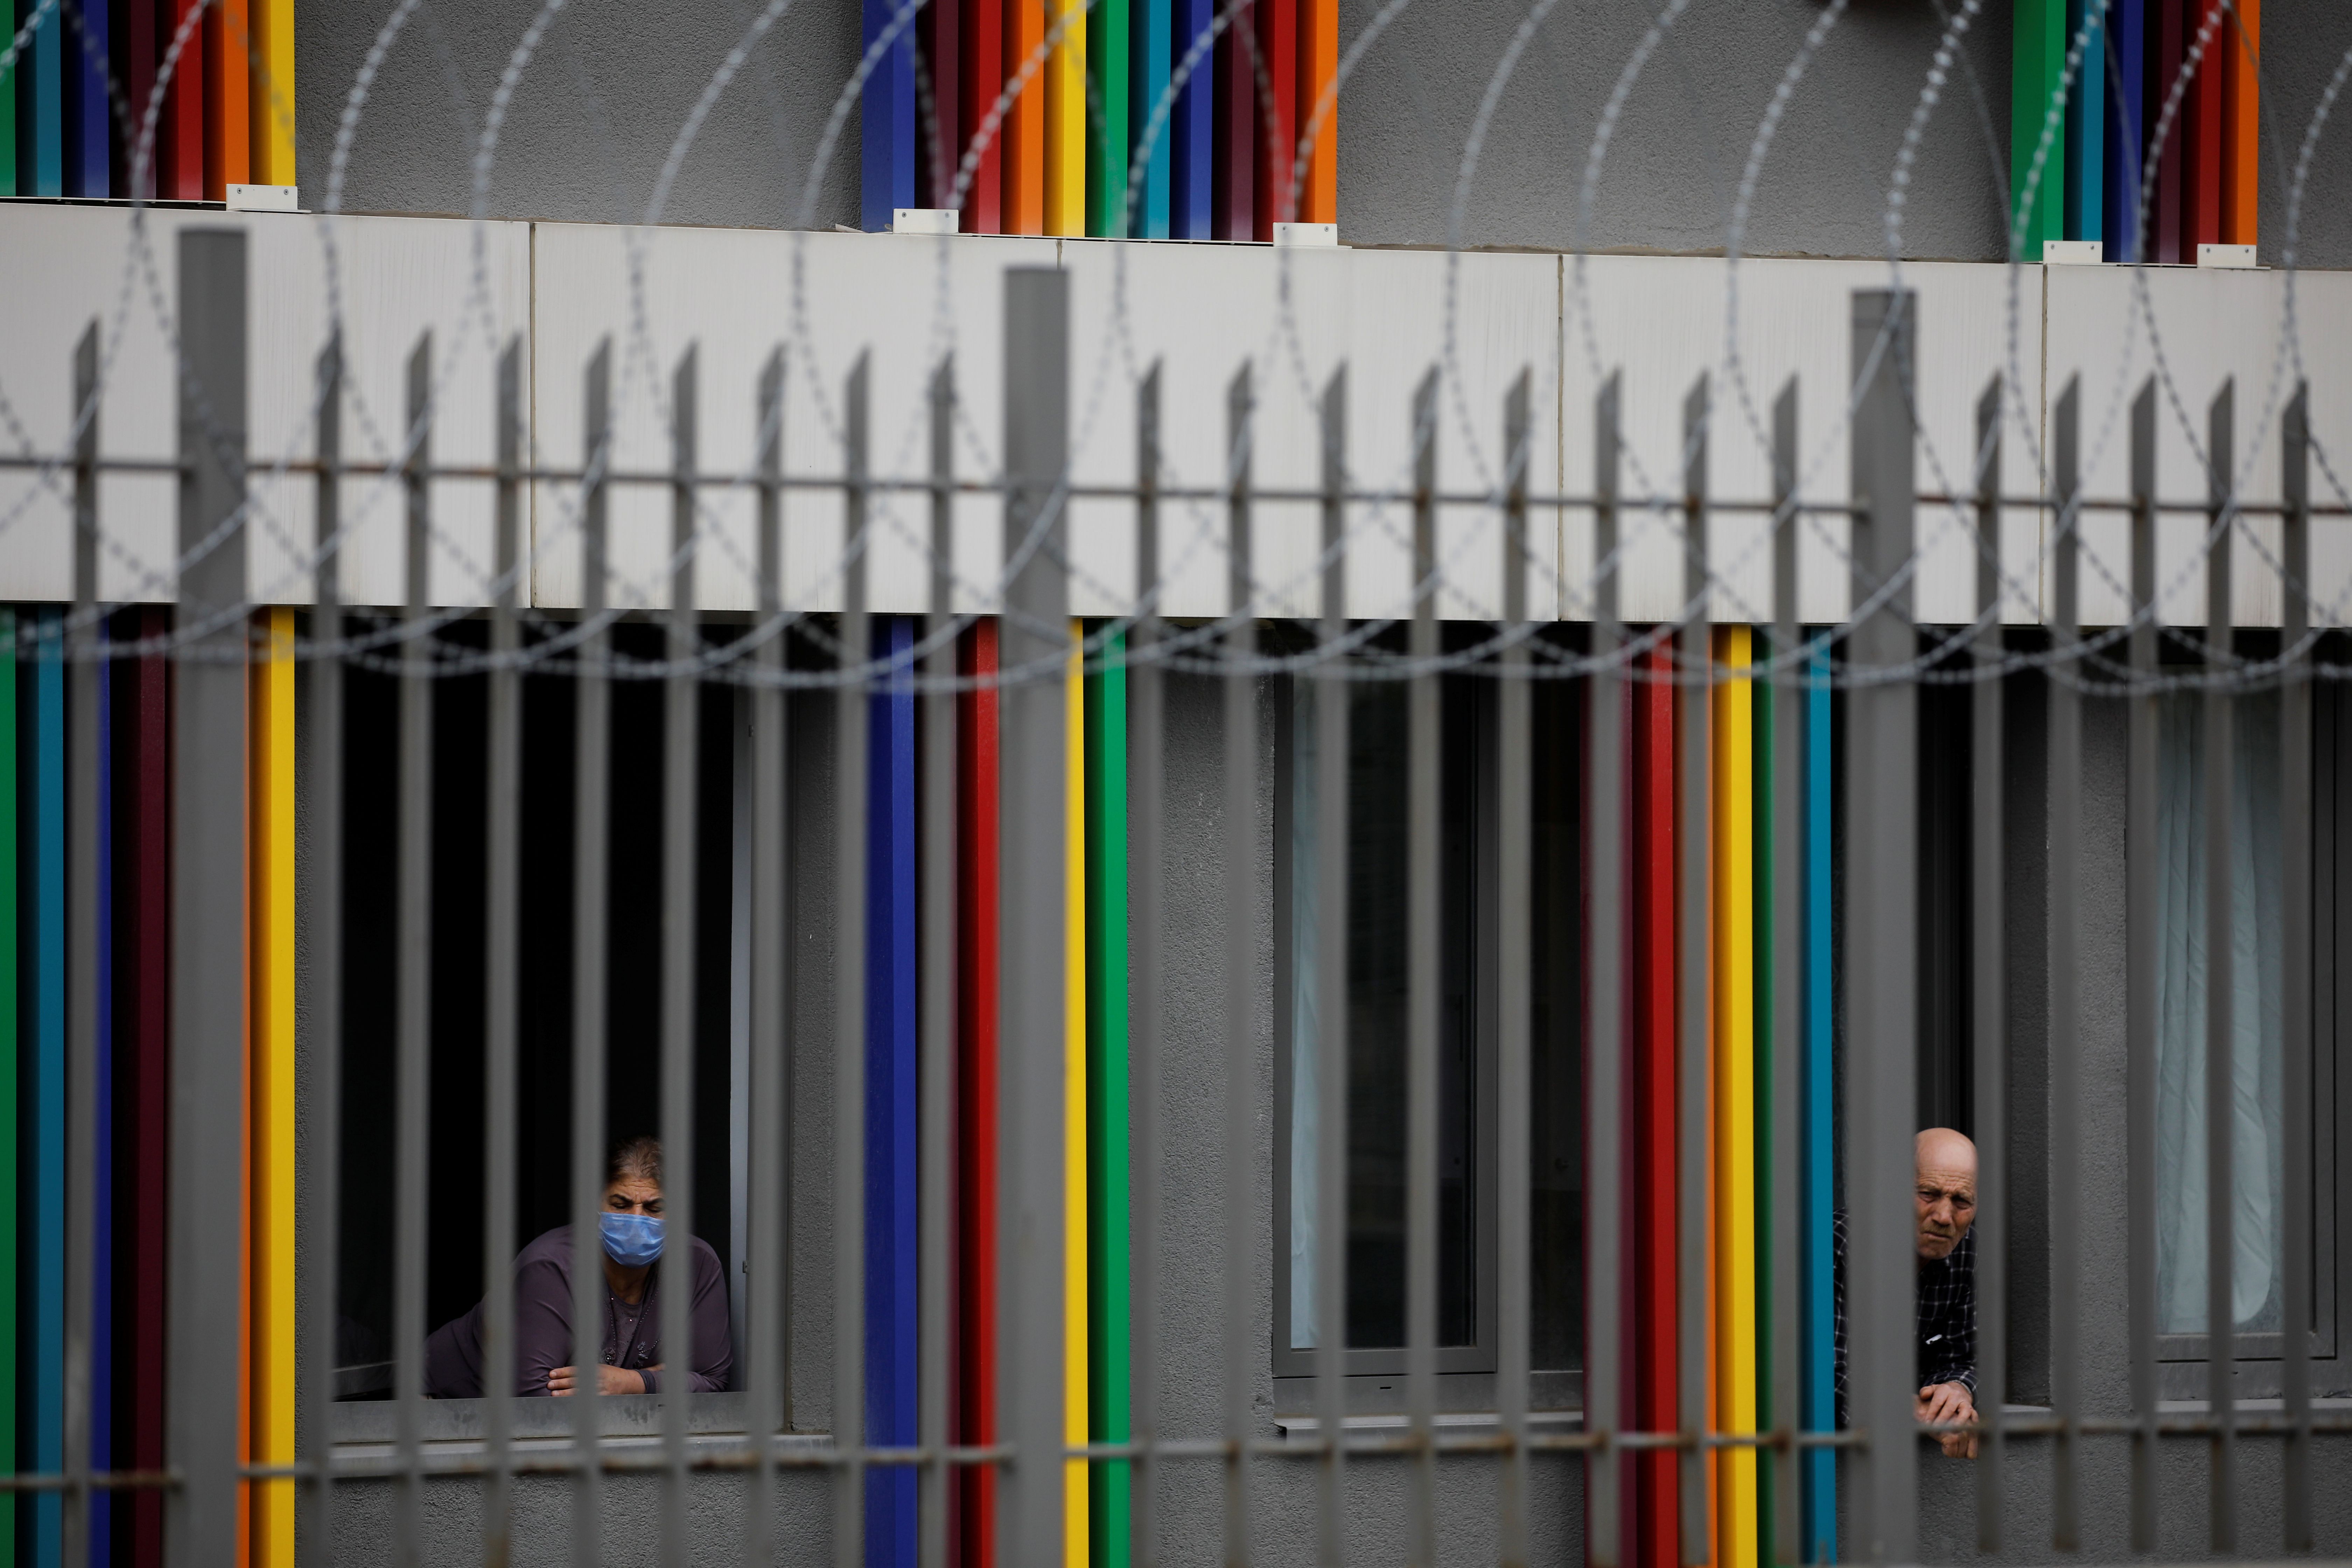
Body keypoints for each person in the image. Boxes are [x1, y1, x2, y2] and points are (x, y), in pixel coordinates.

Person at [424, 1135, 734, 1397]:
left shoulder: (697, 1265)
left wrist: (633, 1382)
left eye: (655, 1208)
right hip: (444, 1406)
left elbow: (712, 1381)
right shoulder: (549, 1268)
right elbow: (538, 1399)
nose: (637, 1221)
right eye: (620, 1204)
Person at [1833, 1127, 1979, 1458]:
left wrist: (1955, 1392)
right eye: (1929, 1193)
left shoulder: (1967, 1251)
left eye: (1962, 1201)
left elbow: (1965, 1356)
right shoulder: (1841, 1244)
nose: (1944, 1217)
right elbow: (1825, 1370)